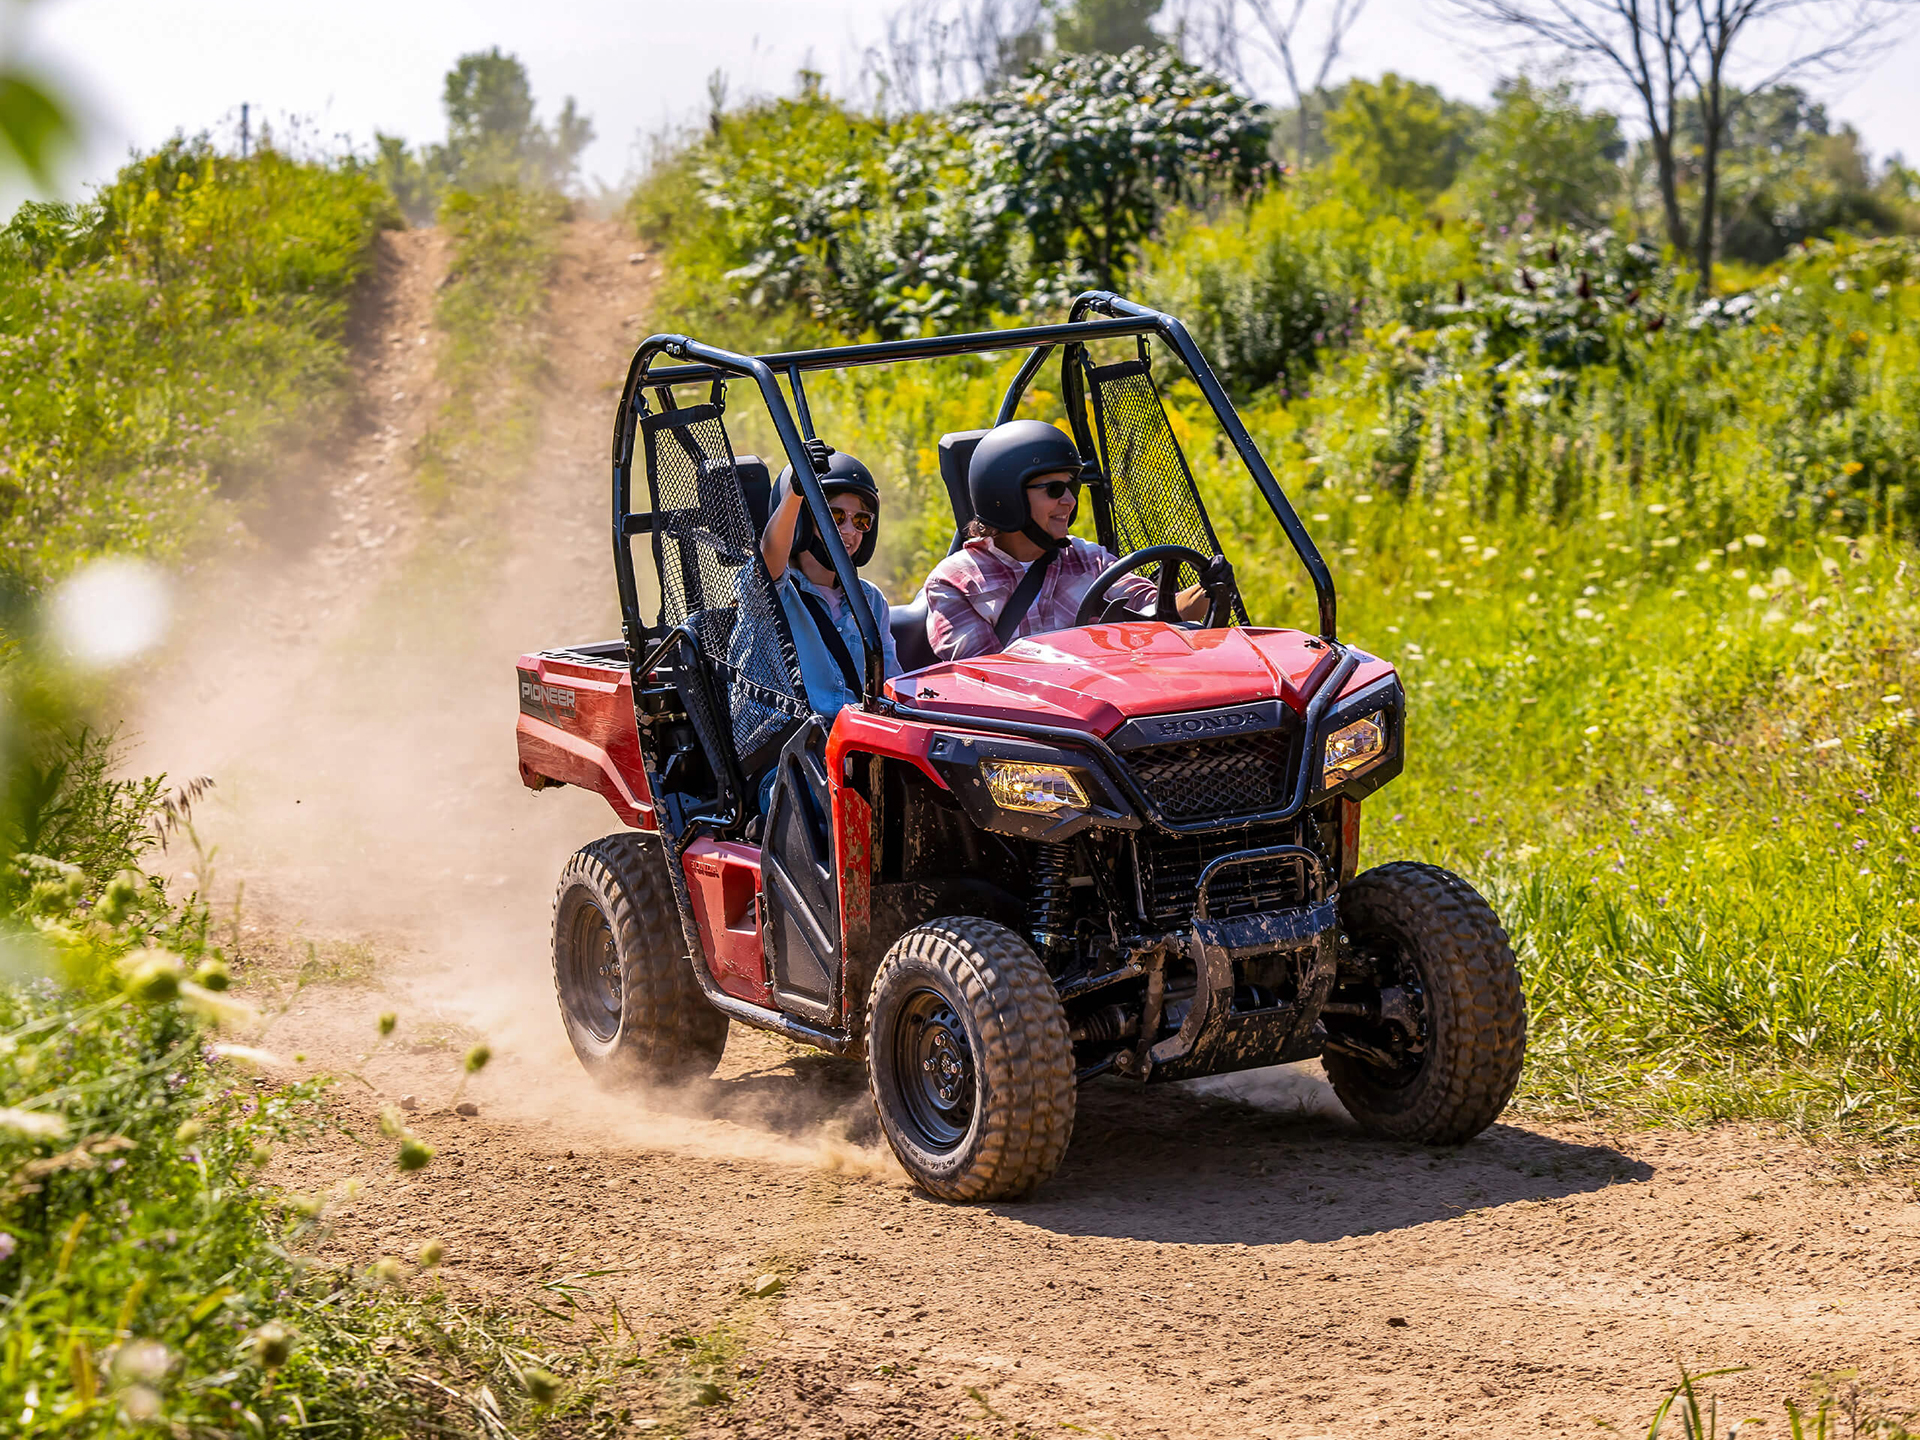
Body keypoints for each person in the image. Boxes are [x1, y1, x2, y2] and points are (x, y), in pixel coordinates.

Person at [923, 419, 1230, 663]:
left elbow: (1157, 611)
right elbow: (984, 675)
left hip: (1110, 715)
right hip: (1024, 730)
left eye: (1073, 487)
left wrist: (1209, 586)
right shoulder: (955, 583)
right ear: (1006, 495)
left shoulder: (1088, 559)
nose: (1069, 501)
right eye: (1054, 490)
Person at [731, 440, 900, 812]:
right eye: (835, 516)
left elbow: (893, 685)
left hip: (859, 753)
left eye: (861, 520)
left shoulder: (869, 601)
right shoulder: (772, 592)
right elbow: (768, 560)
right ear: (807, 519)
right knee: (831, 801)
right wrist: (796, 492)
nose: (850, 530)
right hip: (788, 766)